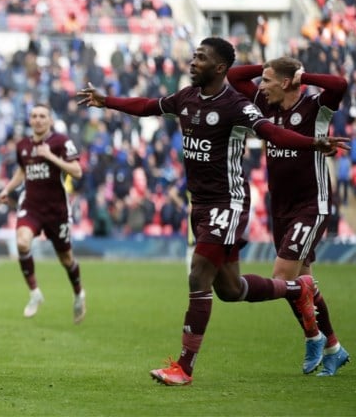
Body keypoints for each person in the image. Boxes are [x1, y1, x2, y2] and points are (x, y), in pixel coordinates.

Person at [77, 37, 350, 386]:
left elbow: (273, 133)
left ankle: (184, 367)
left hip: (229, 203)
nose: (192, 62)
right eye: (193, 56)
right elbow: (147, 105)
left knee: (198, 274)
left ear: (218, 67)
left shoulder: (238, 105)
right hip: (201, 204)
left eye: (201, 58)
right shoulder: (186, 98)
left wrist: (314, 142)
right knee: (230, 289)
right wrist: (107, 102)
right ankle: (300, 290)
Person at [228, 56, 350, 376]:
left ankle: (313, 336)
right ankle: (333, 348)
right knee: (302, 282)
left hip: (311, 203)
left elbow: (340, 84)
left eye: (267, 80)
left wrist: (301, 76)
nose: (260, 86)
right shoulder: (266, 105)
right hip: (280, 205)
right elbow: (234, 76)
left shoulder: (315, 107)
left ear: (286, 83)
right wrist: (266, 67)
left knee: (282, 277)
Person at [0, 103, 87, 324]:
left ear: (50, 120)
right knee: (22, 243)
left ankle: (78, 294)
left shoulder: (61, 142)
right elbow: (22, 171)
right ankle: (35, 293)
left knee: (66, 259)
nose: (37, 120)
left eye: (42, 116)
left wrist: (50, 157)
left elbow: (77, 171)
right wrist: (7, 189)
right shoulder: (23, 146)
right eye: (34, 116)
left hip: (57, 210)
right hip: (32, 207)